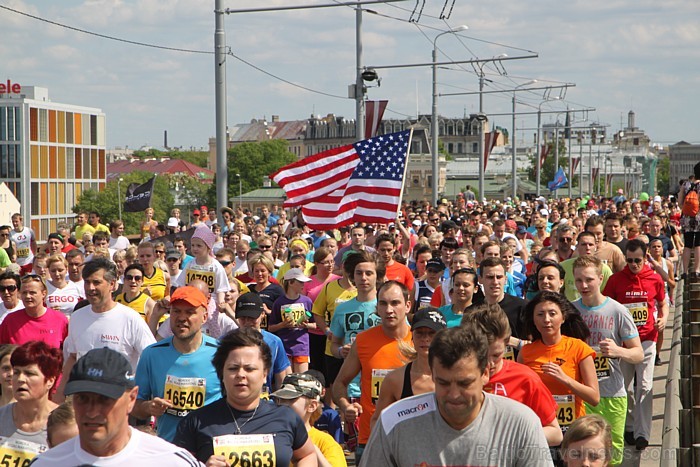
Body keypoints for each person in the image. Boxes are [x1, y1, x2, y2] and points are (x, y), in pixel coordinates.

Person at [360, 325, 552, 466]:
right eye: (443, 383)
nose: (453, 394)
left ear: (485, 373)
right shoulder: (394, 421)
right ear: (432, 375)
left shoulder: (521, 423)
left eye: (464, 383)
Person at [33, 347, 202, 465]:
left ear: (132, 398)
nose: (92, 412)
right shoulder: (46, 463)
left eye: (104, 400)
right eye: (83, 398)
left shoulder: (170, 461)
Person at [173, 328, 317, 465]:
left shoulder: (286, 417)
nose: (241, 375)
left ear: (265, 374)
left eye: (250, 369)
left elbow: (307, 455)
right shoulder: (195, 422)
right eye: (233, 368)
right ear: (222, 374)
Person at [572, 255, 643, 464]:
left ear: (600, 278)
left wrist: (617, 351)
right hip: (581, 392)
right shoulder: (569, 311)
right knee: (582, 454)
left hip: (612, 393)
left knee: (611, 456)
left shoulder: (618, 310)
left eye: (588, 280)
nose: (583, 286)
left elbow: (638, 353)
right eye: (578, 280)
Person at [332, 280, 413, 464]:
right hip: (371, 438)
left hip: (410, 437)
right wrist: (346, 407)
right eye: (383, 303)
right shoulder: (363, 341)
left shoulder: (420, 342)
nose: (389, 309)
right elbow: (339, 384)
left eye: (395, 303)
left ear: (407, 306)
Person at [55, 258, 156, 402]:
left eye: (96, 282)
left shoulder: (130, 318)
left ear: (112, 284)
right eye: (87, 282)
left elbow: (150, 358)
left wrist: (140, 398)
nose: (90, 288)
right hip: (83, 399)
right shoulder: (77, 317)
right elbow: (73, 357)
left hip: (118, 401)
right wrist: (60, 393)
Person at [462, 303, 563, 447]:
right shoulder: (454, 378)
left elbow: (555, 434)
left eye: (496, 355)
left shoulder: (525, 378)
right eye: (482, 355)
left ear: (507, 344)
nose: (489, 363)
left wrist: (510, 439)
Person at [602, 239, 667, 450]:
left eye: (637, 260)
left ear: (645, 256)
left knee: (646, 386)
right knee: (624, 386)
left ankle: (643, 434)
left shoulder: (654, 278)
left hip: (647, 337)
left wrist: (664, 318)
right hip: (624, 343)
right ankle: (630, 427)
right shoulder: (615, 280)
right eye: (629, 261)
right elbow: (606, 305)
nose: (633, 264)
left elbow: (662, 301)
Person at [133, 286, 221, 441]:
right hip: (169, 449)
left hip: (210, 450)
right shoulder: (152, 354)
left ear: (205, 317)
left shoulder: (221, 353)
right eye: (176, 311)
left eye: (190, 312)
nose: (182, 317)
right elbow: (134, 405)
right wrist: (148, 407)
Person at [519, 291, 600, 436]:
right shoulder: (525, 353)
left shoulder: (578, 348)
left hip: (573, 432)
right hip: (541, 431)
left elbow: (594, 398)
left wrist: (566, 379)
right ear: (533, 319)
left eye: (552, 313)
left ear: (563, 317)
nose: (546, 319)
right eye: (540, 314)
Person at [370, 307, 446, 431]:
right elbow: (378, 421)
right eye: (419, 332)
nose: (425, 338)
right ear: (412, 337)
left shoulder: (455, 377)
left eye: (431, 333)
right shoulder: (395, 379)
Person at [0, 341, 62, 464]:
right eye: (17, 372)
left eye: (29, 373)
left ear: (50, 381)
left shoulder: (64, 424)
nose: (20, 379)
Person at [272, 373, 347, 467]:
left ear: (312, 406)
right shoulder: (269, 438)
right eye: (280, 399)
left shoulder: (324, 442)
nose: (282, 405)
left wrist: (310, 449)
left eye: (291, 399)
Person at [235, 292, 291, 395]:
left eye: (252, 318)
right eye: (243, 318)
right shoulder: (226, 342)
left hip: (264, 402)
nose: (247, 322)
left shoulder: (274, 342)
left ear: (263, 315)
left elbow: (281, 379)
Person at [0, 274, 68, 349]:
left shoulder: (59, 319)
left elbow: (68, 350)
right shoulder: (10, 321)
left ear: (43, 293)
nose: (27, 296)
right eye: (24, 293)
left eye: (32, 293)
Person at [269, 268, 314, 373]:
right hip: (285, 347)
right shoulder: (279, 302)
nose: (303, 285)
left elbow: (316, 324)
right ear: (290, 282)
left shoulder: (307, 301)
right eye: (300, 282)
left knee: (301, 381)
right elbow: (271, 328)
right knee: (287, 381)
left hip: (302, 347)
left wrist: (306, 325)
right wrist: (283, 325)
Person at [679, 162, 700, 278]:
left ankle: (684, 271)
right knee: (698, 244)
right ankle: (697, 270)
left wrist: (687, 211)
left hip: (687, 219)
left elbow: (680, 202)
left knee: (687, 244)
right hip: (699, 218)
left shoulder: (686, 185)